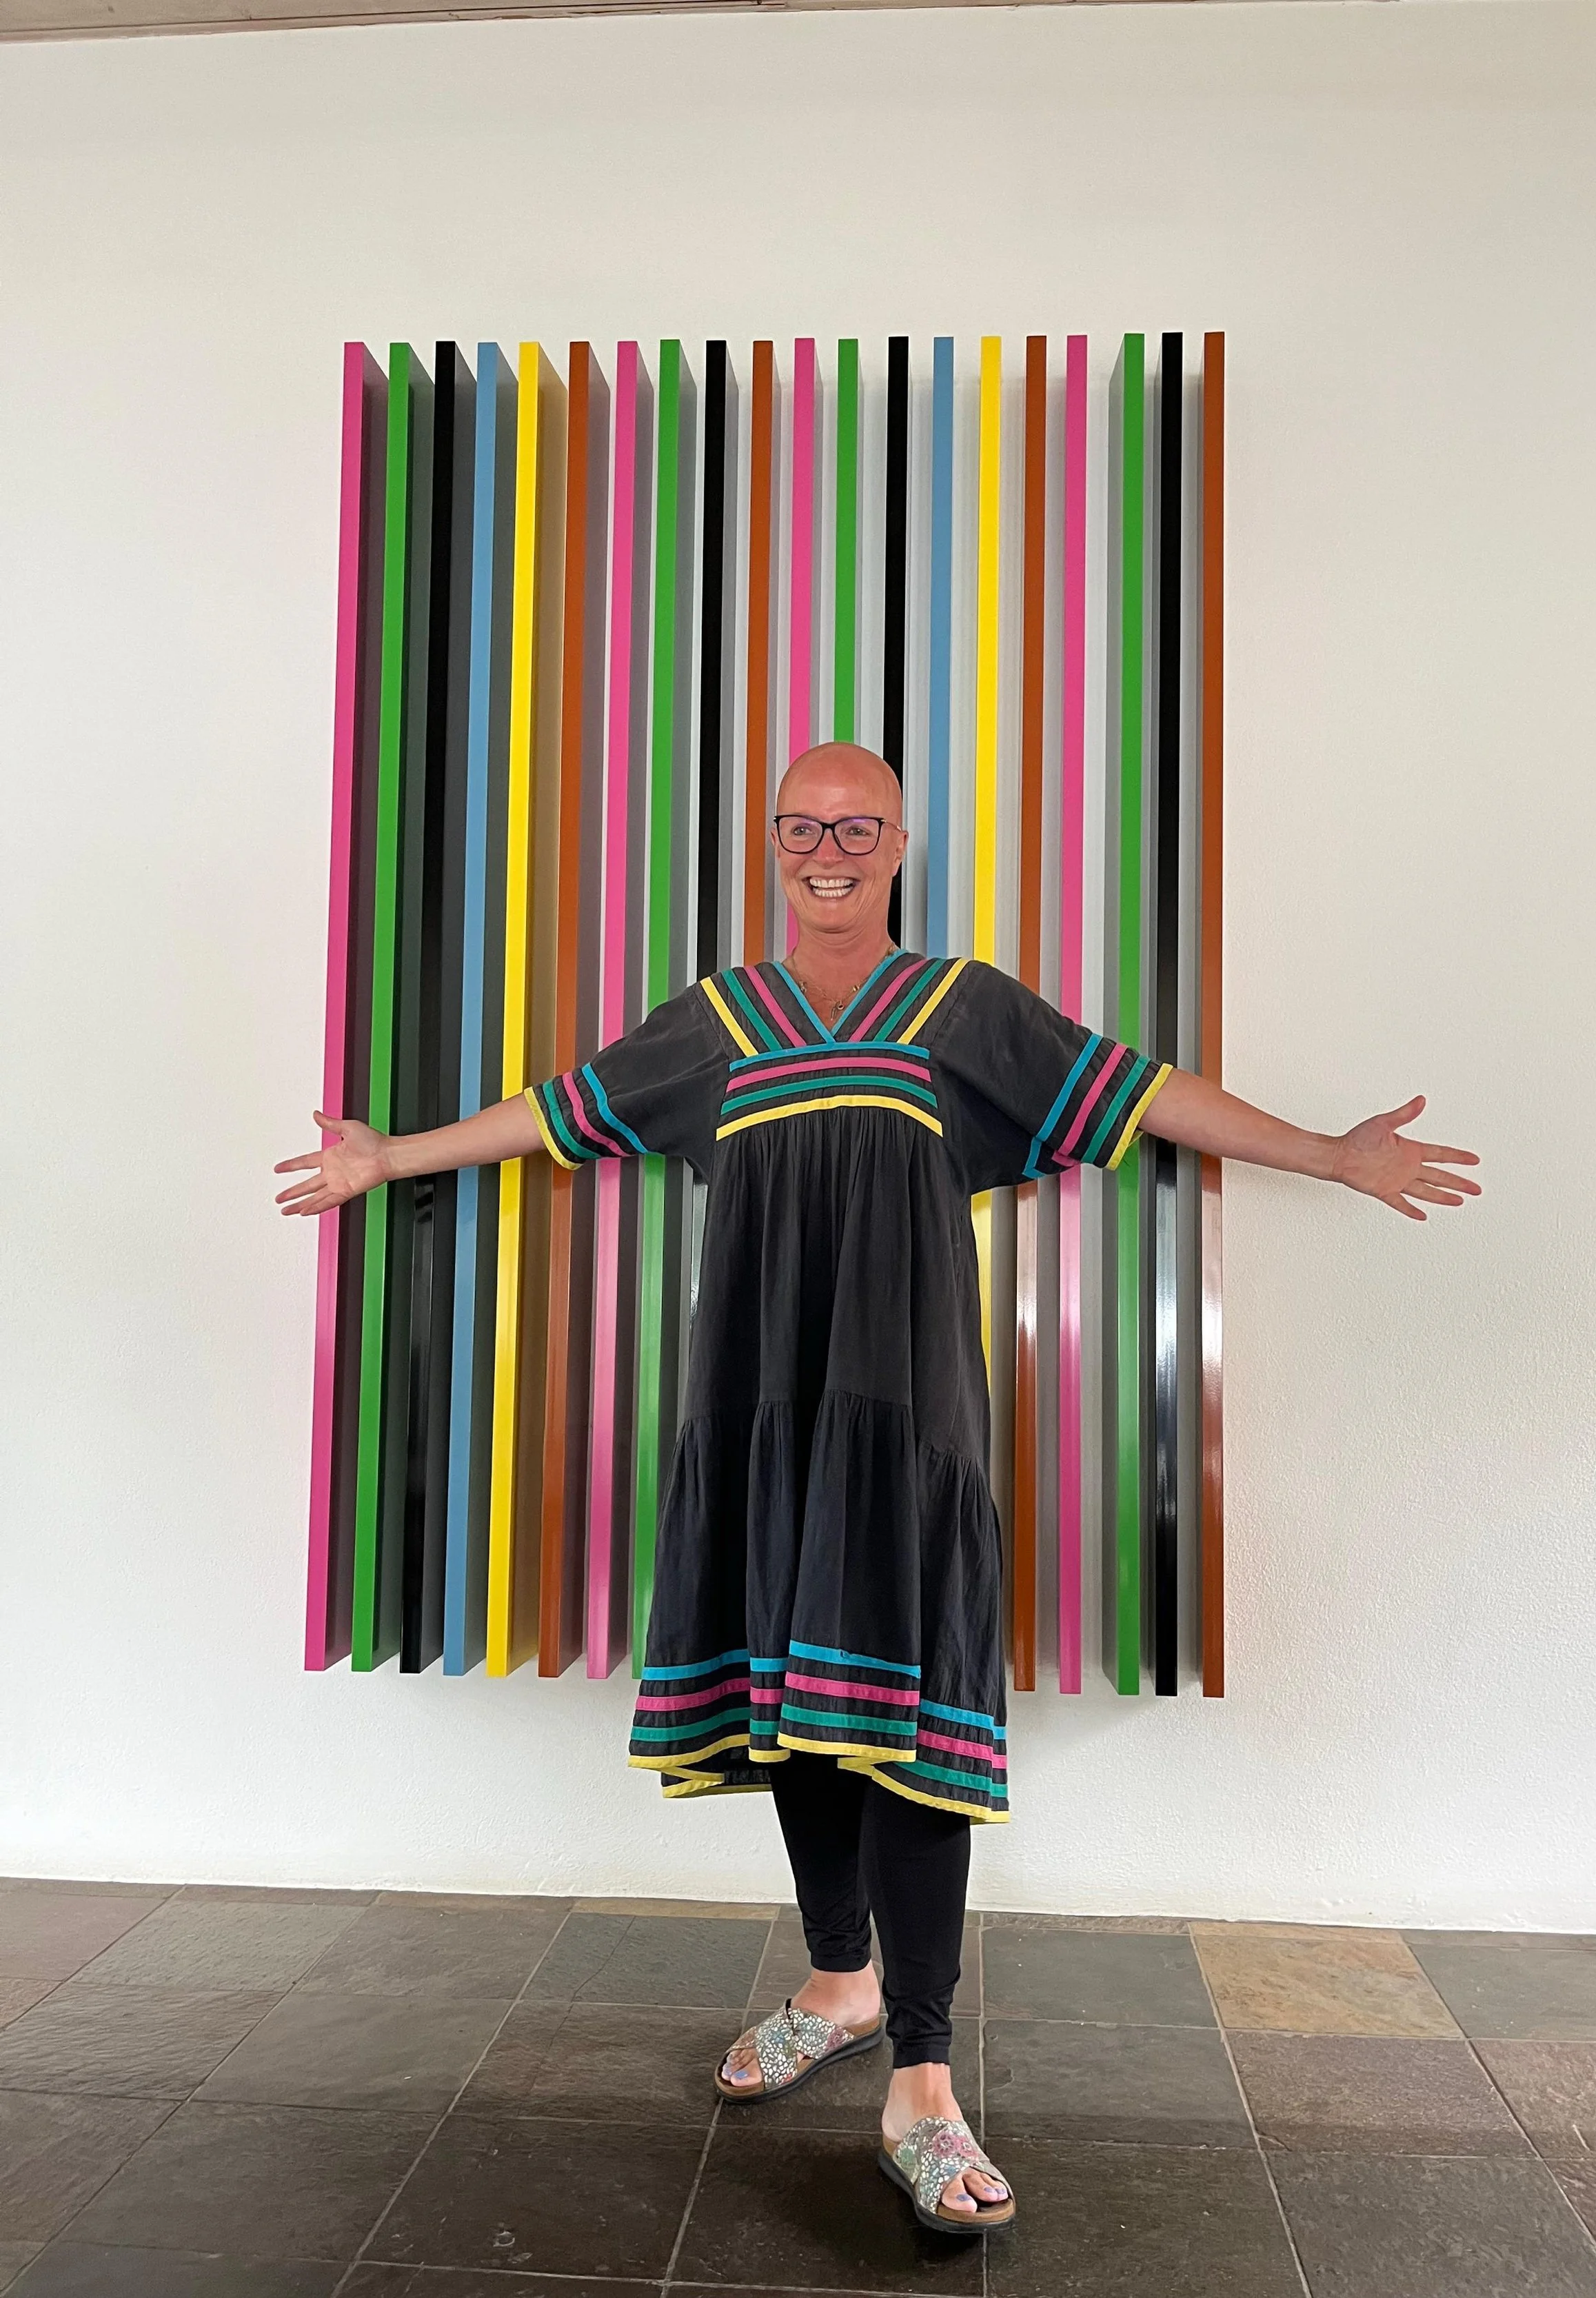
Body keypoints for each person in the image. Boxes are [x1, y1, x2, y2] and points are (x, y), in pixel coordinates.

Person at [277, 741, 1479, 2233]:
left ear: (901, 843)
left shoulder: (959, 1011)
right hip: (758, 1421)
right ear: (772, 844)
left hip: (907, 1427)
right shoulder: (721, 1023)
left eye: (857, 829)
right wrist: (390, 1157)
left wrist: (1326, 1154)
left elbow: (1144, 1092)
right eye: (803, 827)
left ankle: (922, 2079)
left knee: (905, 1734)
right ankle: (837, 1981)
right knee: (796, 1714)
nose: (827, 851)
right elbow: (559, 1109)